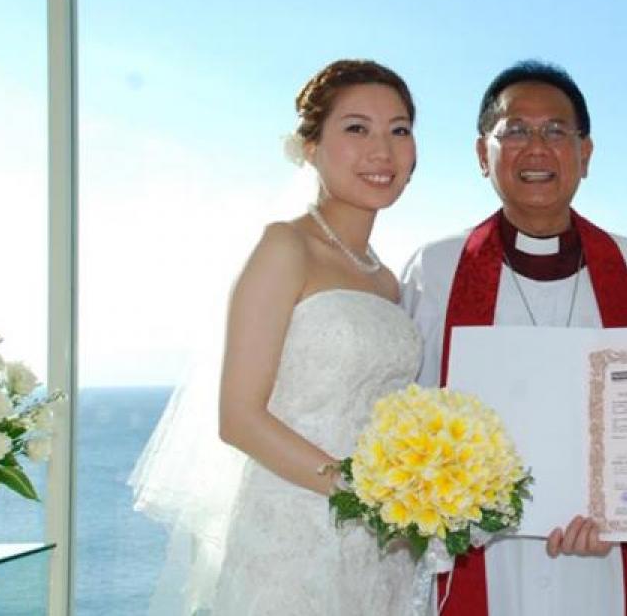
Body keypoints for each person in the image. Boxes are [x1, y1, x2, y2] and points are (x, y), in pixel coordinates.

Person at [132, 59, 421, 615]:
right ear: (311, 147)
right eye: (356, 128)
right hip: (293, 534)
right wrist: (363, 495)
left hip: (380, 545)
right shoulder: (285, 247)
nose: (382, 150)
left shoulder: (385, 280)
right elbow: (239, 418)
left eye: (399, 130)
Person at [401, 60, 627, 616]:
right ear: (481, 153)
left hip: (601, 562)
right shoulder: (436, 269)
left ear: (585, 153)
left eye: (556, 131)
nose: (536, 148)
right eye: (514, 130)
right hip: (483, 557)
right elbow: (406, 410)